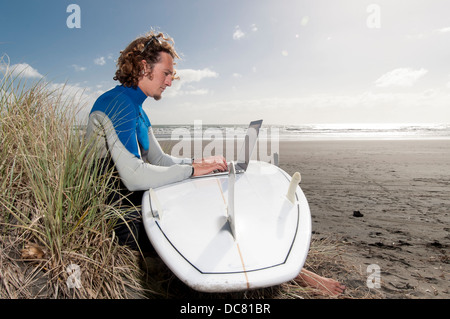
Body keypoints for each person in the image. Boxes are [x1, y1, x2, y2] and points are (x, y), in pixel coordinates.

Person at [85, 31, 227, 250]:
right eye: (166, 73)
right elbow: (133, 177)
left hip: (131, 202)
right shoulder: (116, 103)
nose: (169, 82)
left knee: (200, 198)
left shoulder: (137, 110)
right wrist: (191, 170)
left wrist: (201, 163)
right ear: (144, 67)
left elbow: (159, 160)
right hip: (114, 217)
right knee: (195, 220)